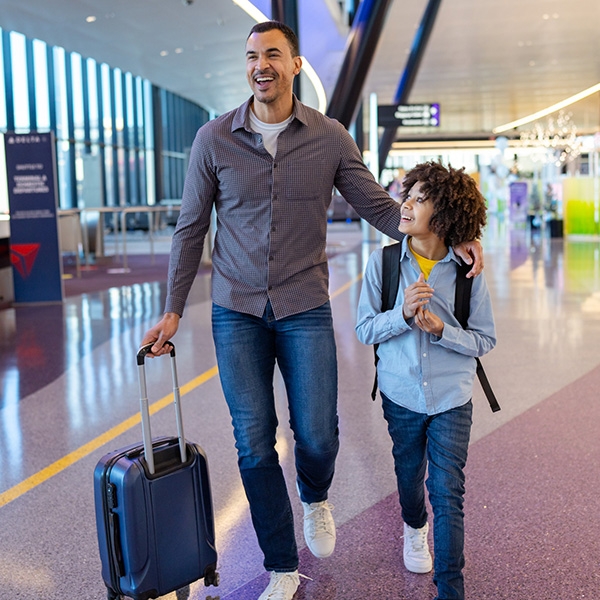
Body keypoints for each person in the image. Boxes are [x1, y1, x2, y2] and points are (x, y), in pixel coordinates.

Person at [141, 22, 483, 600]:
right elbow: (190, 227)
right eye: (252, 56)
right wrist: (172, 311)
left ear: (294, 64)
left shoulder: (329, 138)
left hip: (304, 304)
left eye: (272, 54)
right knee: (253, 442)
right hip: (236, 310)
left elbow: (379, 207)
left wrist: (454, 235)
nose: (260, 65)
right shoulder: (212, 138)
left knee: (318, 436)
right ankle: (281, 564)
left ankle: (315, 495)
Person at [355, 162, 496, 600]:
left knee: (447, 490)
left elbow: (485, 339)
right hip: (401, 394)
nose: (407, 204)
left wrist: (442, 331)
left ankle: (450, 589)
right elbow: (364, 330)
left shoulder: (467, 272)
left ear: (445, 214)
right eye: (407, 194)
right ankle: (414, 527)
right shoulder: (383, 264)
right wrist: (400, 315)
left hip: (452, 397)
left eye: (419, 198)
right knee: (409, 473)